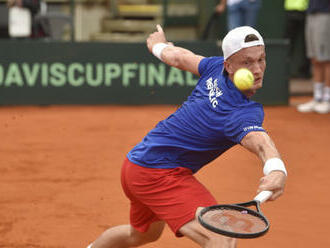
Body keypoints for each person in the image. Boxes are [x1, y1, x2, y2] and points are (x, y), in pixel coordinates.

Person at [87, 25, 287, 248]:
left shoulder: (214, 68)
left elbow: (179, 57)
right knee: (222, 237)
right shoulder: (240, 112)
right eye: (247, 62)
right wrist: (276, 169)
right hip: (158, 172)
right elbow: (260, 143)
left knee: (142, 235)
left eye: (261, 59)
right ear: (228, 65)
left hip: (136, 164)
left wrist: (158, 46)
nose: (257, 69)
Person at [297, 0, 330, 114]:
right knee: (315, 59)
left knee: (325, 59)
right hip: (311, 13)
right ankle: (317, 98)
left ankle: (327, 99)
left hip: (325, 14)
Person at [283, 0, 310, 78]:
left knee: (307, 43)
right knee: (288, 43)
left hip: (306, 10)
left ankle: (305, 72)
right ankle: (284, 71)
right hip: (291, 10)